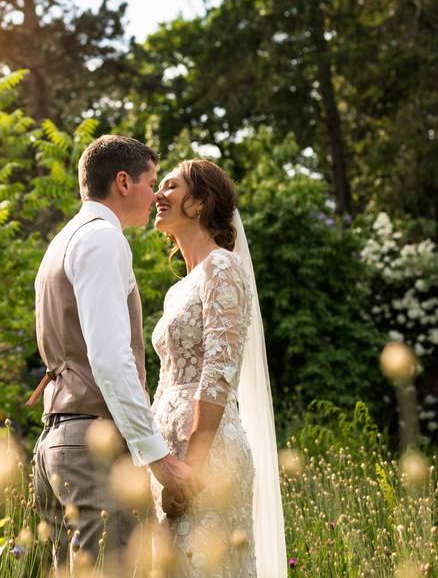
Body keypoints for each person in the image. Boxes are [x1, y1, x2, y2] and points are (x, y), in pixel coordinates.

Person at [29, 135, 199, 566]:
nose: (156, 194)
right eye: (151, 182)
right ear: (123, 182)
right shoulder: (103, 239)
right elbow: (109, 358)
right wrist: (159, 457)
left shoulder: (64, 240)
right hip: (92, 450)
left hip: (57, 442)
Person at [150, 159, 287, 576]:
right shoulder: (177, 290)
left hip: (207, 458)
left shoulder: (222, 267)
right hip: (170, 460)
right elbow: (163, 381)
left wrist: (191, 463)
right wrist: (158, 459)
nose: (158, 194)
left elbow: (218, 371)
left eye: (171, 187)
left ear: (200, 202)